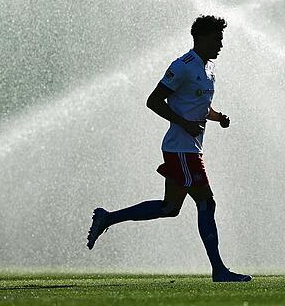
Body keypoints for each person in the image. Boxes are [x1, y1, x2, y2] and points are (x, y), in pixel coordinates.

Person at [86, 15, 251, 283]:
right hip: (181, 149)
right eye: (216, 39)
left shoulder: (208, 69)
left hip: (191, 149)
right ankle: (219, 270)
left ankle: (107, 218)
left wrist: (217, 117)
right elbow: (153, 100)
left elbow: (197, 105)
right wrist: (184, 124)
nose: (221, 44)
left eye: (221, 39)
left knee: (169, 208)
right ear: (201, 38)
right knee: (206, 202)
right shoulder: (182, 66)